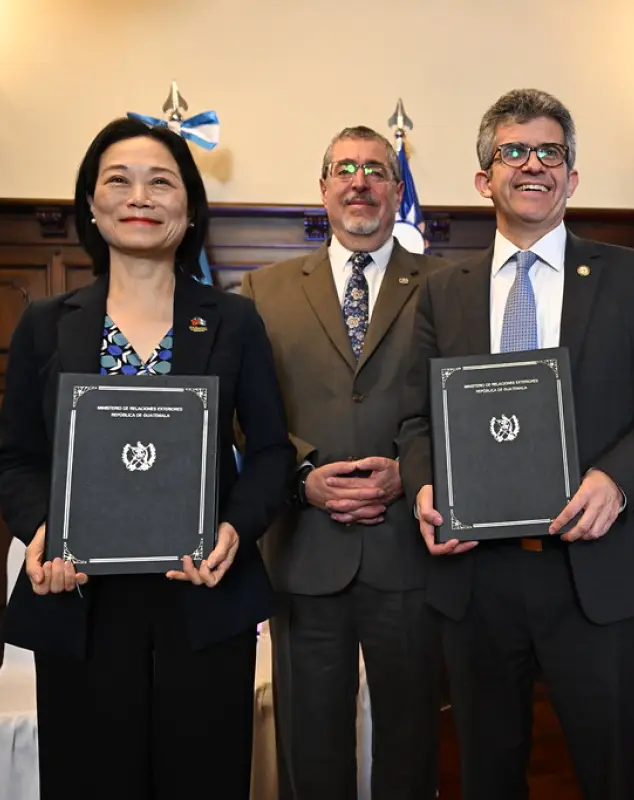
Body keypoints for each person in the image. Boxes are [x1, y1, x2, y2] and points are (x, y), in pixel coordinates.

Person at [397, 89, 634, 800]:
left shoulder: (630, 277)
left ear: (571, 176)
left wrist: (617, 481)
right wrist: (423, 488)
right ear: (485, 178)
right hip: (477, 578)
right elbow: (414, 419)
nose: (532, 164)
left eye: (550, 152)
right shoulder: (444, 292)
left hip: (595, 571)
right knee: (488, 775)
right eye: (512, 151)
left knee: (609, 776)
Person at [0, 116, 291, 800]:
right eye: (118, 181)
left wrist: (235, 531)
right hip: (80, 604)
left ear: (188, 209)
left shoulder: (232, 321)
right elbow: (14, 460)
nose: (140, 196)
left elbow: (271, 453)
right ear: (91, 208)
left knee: (205, 780)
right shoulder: (46, 323)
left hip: (203, 599)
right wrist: (43, 532)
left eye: (162, 182)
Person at [240, 125, 443, 800]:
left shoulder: (446, 287)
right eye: (346, 168)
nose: (361, 181)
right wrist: (302, 477)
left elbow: (460, 404)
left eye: (377, 170)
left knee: (411, 739)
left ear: (397, 188)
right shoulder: (262, 292)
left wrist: (407, 471)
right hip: (305, 552)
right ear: (323, 188)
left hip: (409, 551)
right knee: (311, 741)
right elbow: (244, 410)